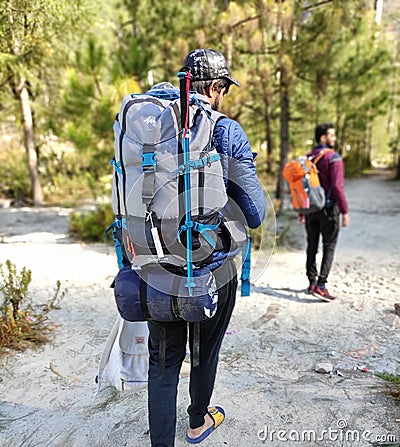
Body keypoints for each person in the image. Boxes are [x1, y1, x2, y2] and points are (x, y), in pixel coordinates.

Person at [146, 49, 266, 446]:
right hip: (212, 267)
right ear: (215, 87)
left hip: (156, 264)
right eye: (223, 90)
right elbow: (255, 212)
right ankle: (198, 422)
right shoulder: (225, 130)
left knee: (163, 362)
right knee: (204, 350)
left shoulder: (151, 124)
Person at [298, 123, 349, 302]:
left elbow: (302, 187)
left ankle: (311, 282)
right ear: (322, 138)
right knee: (329, 246)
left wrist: (302, 211)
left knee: (312, 245)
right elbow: (337, 186)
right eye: (331, 135)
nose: (334, 139)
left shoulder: (307, 158)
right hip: (328, 209)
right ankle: (321, 285)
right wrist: (344, 210)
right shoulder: (333, 158)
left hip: (311, 208)